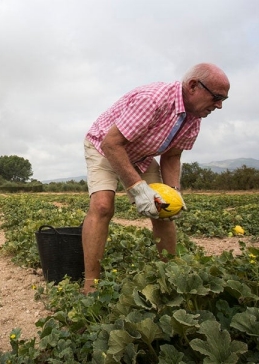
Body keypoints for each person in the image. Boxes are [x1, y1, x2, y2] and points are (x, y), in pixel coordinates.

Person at [81, 63, 230, 294]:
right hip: (104, 145)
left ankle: (171, 276)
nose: (219, 105)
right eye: (217, 97)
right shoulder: (153, 99)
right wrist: (139, 189)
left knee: (163, 209)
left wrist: (173, 192)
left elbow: (171, 156)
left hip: (139, 155)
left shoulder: (194, 119)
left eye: (223, 100)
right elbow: (112, 144)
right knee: (102, 206)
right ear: (193, 86)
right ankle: (90, 286)